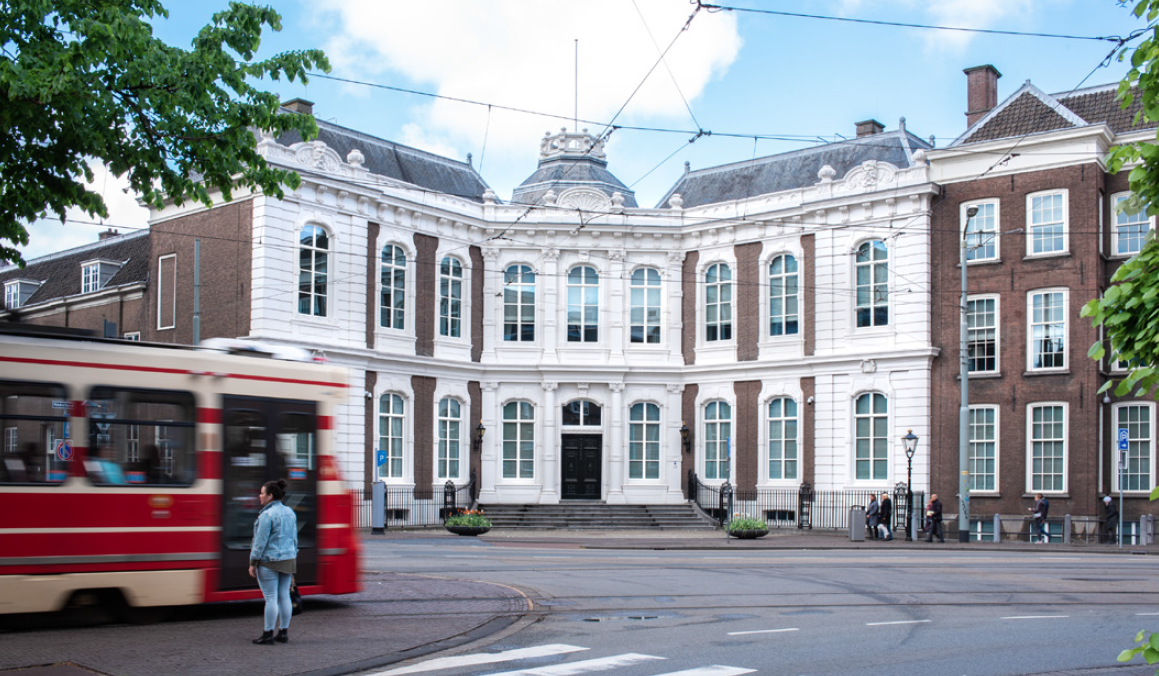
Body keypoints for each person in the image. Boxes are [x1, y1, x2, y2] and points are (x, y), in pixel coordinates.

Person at [249, 479, 298, 645]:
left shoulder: (266, 515)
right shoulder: (290, 512)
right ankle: (283, 632)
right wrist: (293, 555)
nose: (259, 496)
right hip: (289, 559)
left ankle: (268, 633)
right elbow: (294, 539)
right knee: (284, 596)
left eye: (262, 493)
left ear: (270, 496)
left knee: (270, 598)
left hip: (269, 561)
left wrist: (253, 562)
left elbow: (260, 542)